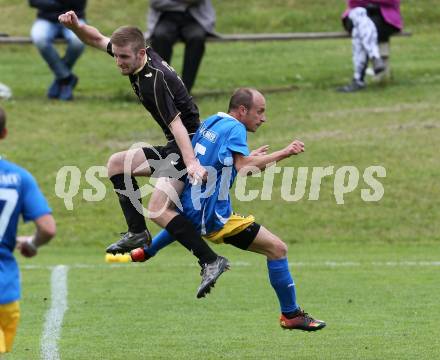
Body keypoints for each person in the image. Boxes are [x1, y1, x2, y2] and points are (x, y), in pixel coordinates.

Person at [58, 11, 228, 298]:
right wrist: (76, 27)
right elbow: (97, 38)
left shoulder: (153, 81)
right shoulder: (137, 55)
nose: (118, 62)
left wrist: (192, 163)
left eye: (124, 58)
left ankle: (210, 260)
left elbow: (177, 125)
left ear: (140, 53)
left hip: (188, 143)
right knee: (116, 164)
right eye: (116, 56)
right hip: (178, 143)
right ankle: (137, 232)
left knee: (159, 209)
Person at [130, 88, 326, 330]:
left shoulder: (214, 121)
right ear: (242, 111)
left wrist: (149, 251)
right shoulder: (236, 128)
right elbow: (244, 167)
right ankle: (291, 315)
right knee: (278, 249)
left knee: (187, 222)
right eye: (260, 111)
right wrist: (284, 153)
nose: (263, 118)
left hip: (193, 205)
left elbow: (225, 163)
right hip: (214, 217)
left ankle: (146, 251)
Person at [0, 107, 56, 355]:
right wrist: (31, 244)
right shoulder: (19, 178)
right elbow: (47, 229)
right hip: (4, 291)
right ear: (4, 133)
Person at [147, 0, 215, 93]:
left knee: (197, 38)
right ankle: (161, 88)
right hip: (165, 17)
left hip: (194, 18)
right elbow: (155, 2)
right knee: (160, 37)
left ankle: (185, 91)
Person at [338, 0, 403, 92]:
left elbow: (392, 1)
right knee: (360, 15)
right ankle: (375, 57)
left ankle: (358, 79)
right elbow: (352, 2)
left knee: (360, 30)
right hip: (356, 17)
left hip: (383, 19)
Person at [29, 0, 87, 100]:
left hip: (74, 18)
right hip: (46, 19)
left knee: (78, 41)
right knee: (39, 38)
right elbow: (33, 2)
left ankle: (61, 79)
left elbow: (79, 3)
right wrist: (57, 4)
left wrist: (53, 3)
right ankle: (66, 78)